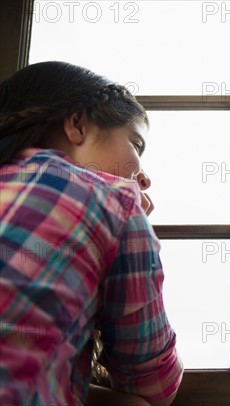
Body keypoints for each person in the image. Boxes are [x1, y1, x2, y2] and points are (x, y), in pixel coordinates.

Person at [0, 61, 183, 405]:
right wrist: (128, 223)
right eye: (136, 145)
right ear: (77, 124)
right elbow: (154, 386)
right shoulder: (114, 201)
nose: (143, 178)